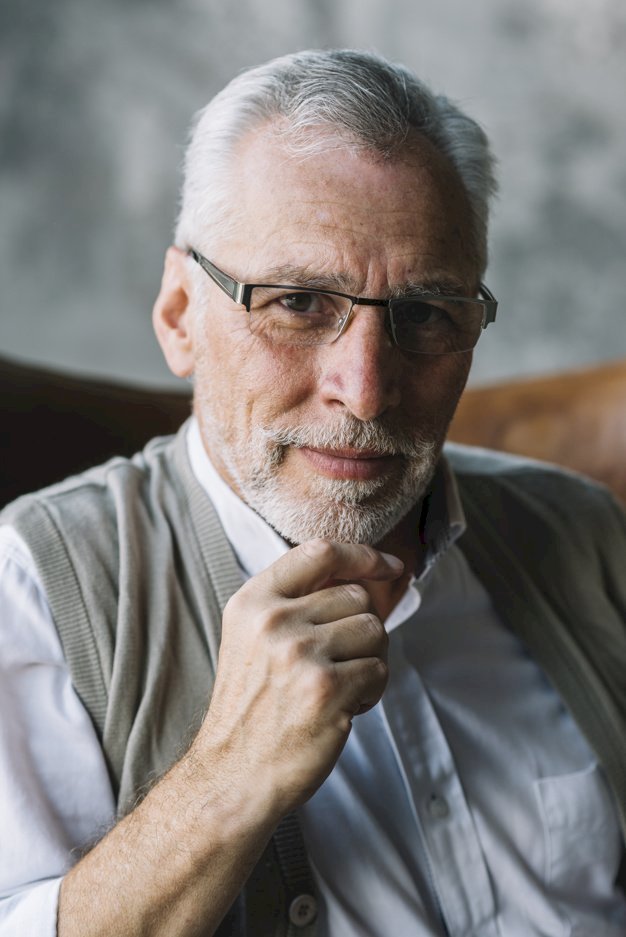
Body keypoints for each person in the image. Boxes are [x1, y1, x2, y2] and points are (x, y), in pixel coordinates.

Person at [1, 49, 626, 937]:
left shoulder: (584, 535)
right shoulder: (30, 585)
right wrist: (228, 776)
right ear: (181, 313)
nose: (365, 390)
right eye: (297, 302)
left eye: (426, 313)